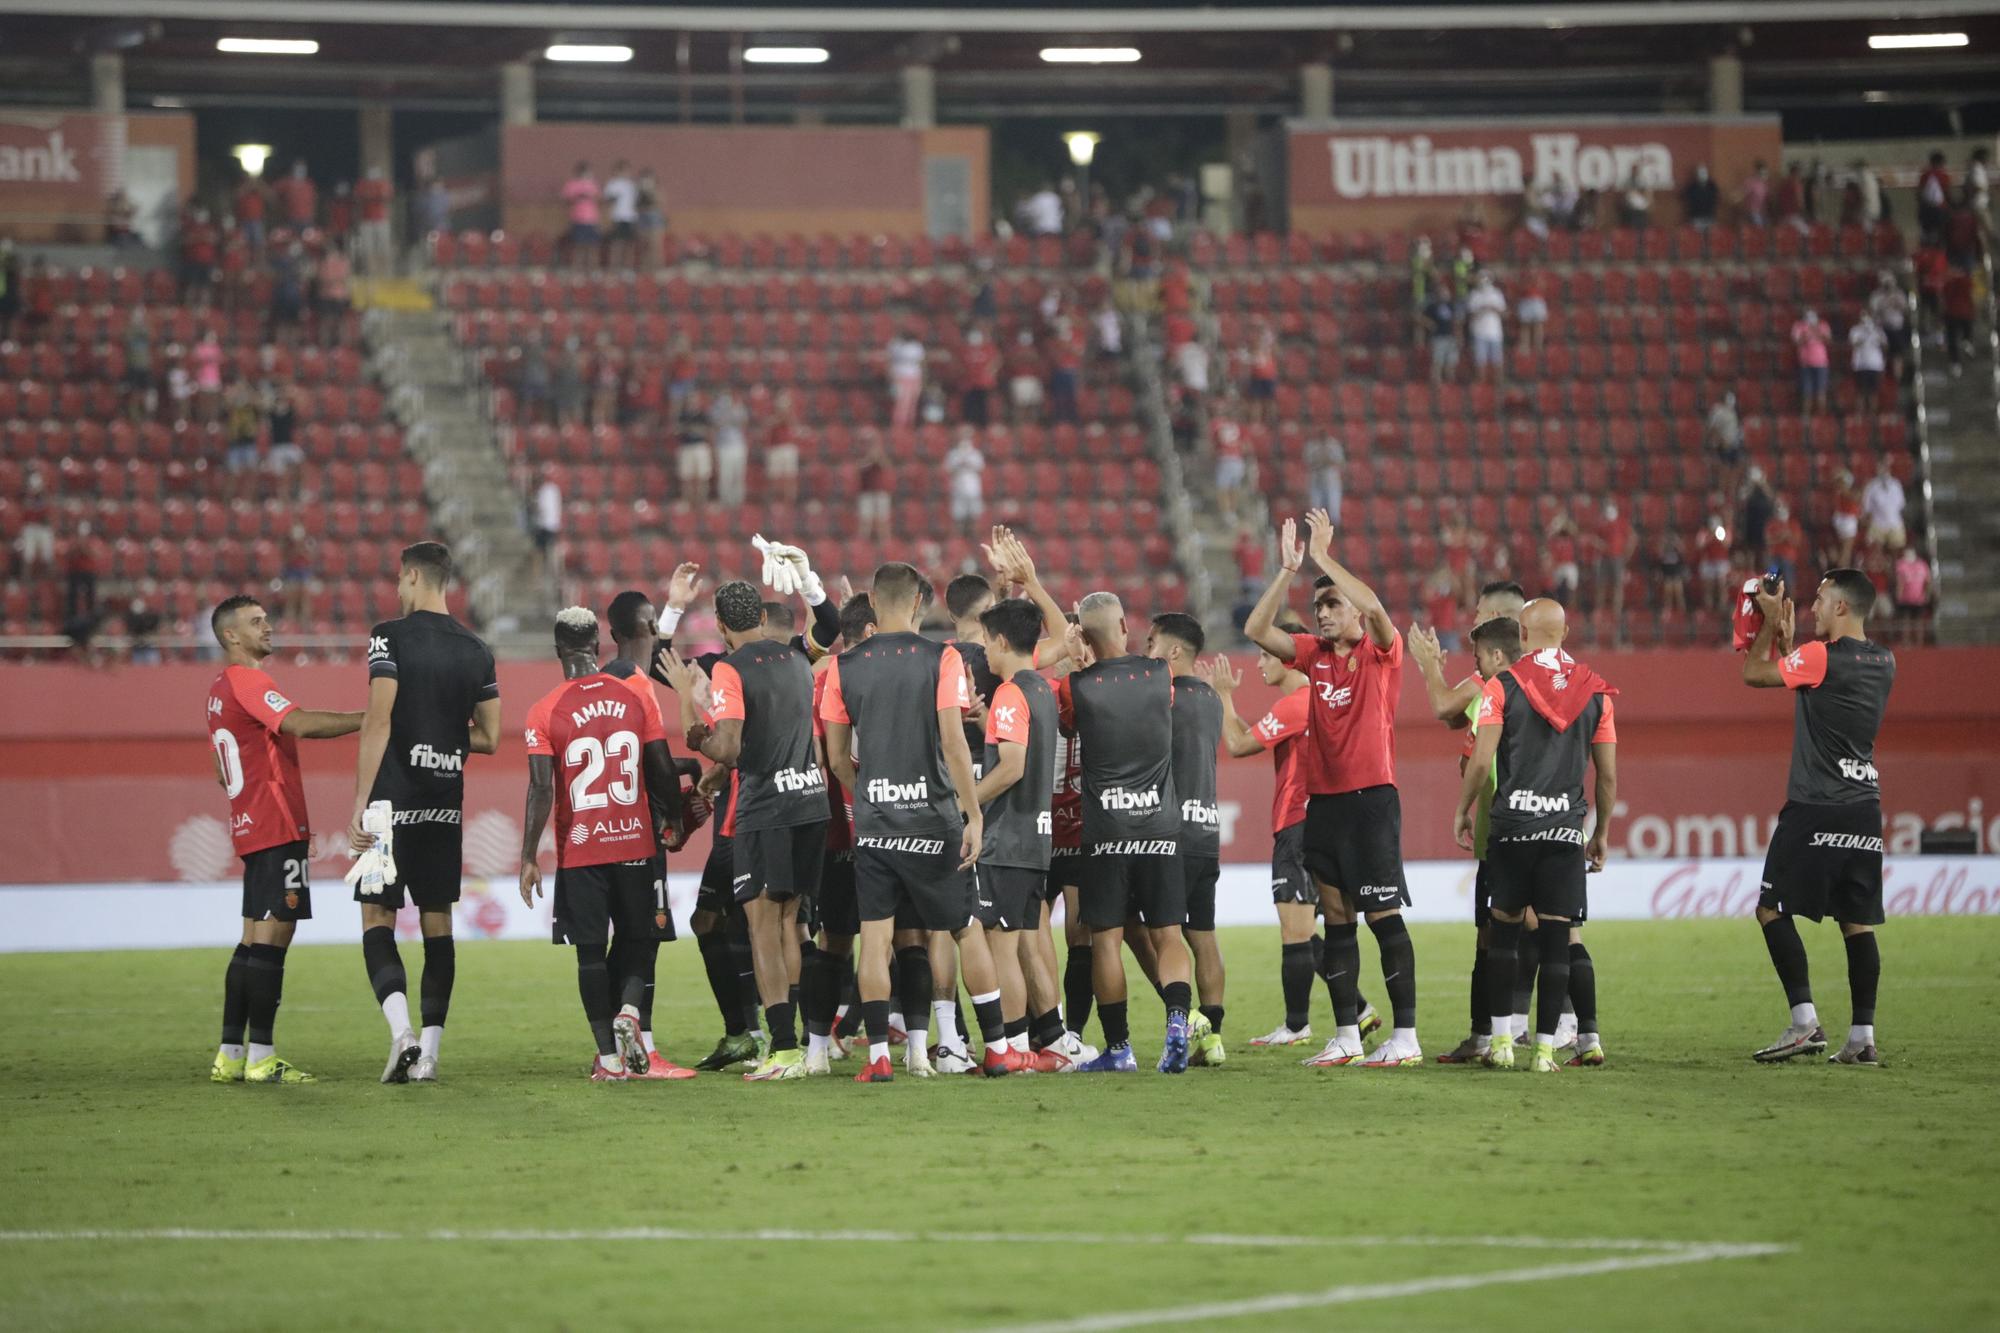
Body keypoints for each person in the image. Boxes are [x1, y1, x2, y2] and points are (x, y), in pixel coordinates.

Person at [819, 561, 1013, 1082]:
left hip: (878, 825)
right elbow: (954, 742)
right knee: (965, 929)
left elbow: (837, 758)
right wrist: (971, 813)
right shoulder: (943, 658)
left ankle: (879, 1057)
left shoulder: (842, 668)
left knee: (876, 936)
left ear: (874, 603)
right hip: (934, 820)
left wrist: (867, 798)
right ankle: (995, 1049)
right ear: (915, 603)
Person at [1244, 511, 1422, 1067]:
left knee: (1383, 918)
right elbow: (1256, 631)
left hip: (1372, 802)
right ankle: (1346, 1034)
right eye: (1319, 607)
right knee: (1339, 920)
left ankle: (1406, 1038)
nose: (1323, 615)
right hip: (1322, 807)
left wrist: (1323, 559)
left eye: (1332, 605)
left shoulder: (1381, 654)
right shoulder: (1312, 657)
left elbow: (1373, 608)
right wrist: (1286, 570)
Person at [348, 542, 503, 1084]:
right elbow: (489, 736)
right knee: (438, 926)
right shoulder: (476, 649)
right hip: (444, 806)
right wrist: (442, 737)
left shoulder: (389, 636)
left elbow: (378, 720)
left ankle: (402, 1036)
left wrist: (361, 803)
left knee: (377, 918)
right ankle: (430, 1056)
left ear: (412, 576)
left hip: (390, 805)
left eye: (400, 579)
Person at [671, 581, 830, 1082]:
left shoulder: (730, 669)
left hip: (767, 810)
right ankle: (806, 1045)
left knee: (764, 925)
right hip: (811, 802)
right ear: (761, 618)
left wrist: (698, 733)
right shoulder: (797, 662)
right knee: (792, 924)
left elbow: (731, 747)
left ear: (721, 625)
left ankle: (782, 1050)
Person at [205, 595, 363, 1085]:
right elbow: (299, 723)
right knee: (276, 936)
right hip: (274, 825)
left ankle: (230, 1053)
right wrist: (370, 720)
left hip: (251, 823)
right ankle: (262, 1057)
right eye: (256, 622)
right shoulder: (250, 680)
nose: (268, 627)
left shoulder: (217, 689)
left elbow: (218, 768)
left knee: (252, 937)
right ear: (231, 636)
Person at [519, 607, 682, 1080]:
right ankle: (630, 1011)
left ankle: (609, 1059)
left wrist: (529, 856)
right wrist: (672, 817)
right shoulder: (634, 695)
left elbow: (542, 789)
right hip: (635, 843)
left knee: (590, 952)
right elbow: (661, 767)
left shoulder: (544, 709)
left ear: (558, 652)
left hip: (581, 851)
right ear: (597, 648)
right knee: (637, 938)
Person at [1742, 571, 1896, 1066]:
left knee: (1771, 909)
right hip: (1865, 806)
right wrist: (1792, 644)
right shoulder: (1885, 661)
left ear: (1844, 609)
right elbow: (1819, 692)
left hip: (1815, 805)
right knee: (1857, 922)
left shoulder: (1821, 657)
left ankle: (1805, 1023)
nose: (1813, 608)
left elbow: (1754, 674)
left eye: (1822, 601)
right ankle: (1863, 1037)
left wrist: (1767, 624)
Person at [1453, 611, 1617, 1073]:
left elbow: (1482, 762)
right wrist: (1600, 831)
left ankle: (1502, 1043)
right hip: (1564, 832)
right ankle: (1546, 1050)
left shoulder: (1501, 687)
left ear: (1523, 636)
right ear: (1566, 632)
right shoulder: (1597, 692)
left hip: (1511, 830)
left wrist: (1463, 810)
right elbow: (1606, 775)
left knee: (1502, 935)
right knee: (1556, 940)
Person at [1055, 591, 1197, 1074]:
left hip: (1106, 833)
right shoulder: (1159, 676)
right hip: (1160, 828)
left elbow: (1068, 723)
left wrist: (1081, 662)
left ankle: (1119, 1049)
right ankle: (1178, 1019)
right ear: (1120, 626)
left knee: (1107, 942)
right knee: (1169, 934)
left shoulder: (1077, 686)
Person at [1406, 581, 1529, 1063]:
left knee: (1518, 925)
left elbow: (1442, 706)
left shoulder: (1498, 680)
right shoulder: (1526, 679)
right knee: (1502, 926)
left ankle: (1518, 1028)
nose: (1471, 620)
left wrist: (1429, 666)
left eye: (1479, 614)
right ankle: (1499, 1031)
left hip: (1508, 819)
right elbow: (1456, 720)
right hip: (1502, 821)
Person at [969, 596, 1062, 1075]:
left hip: (1007, 838)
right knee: (1023, 942)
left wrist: (968, 804)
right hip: (1036, 839)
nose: (983, 650)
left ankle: (1009, 1048)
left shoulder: (1010, 692)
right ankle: (1042, 1043)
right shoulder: (1041, 688)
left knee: (1001, 945)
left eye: (986, 640)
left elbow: (1011, 767)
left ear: (1002, 640)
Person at [1147, 612, 1226, 1066]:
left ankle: (1185, 1015)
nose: (1148, 651)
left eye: (1153, 642)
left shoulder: (1166, 696)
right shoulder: (1213, 699)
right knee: (1204, 936)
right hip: (1207, 830)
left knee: (1162, 933)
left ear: (1174, 651)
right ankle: (1212, 1039)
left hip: (1171, 831)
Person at [943, 426, 986, 536]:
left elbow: (980, 467)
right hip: (958, 487)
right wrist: (959, 462)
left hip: (973, 487)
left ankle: (975, 535)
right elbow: (948, 469)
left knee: (975, 513)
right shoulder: (953, 454)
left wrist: (968, 461)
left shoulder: (975, 453)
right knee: (958, 515)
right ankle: (959, 536)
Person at [709, 388, 749, 505]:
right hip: (723, 447)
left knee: (738, 475)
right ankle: (725, 501)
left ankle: (738, 501)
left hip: (738, 445)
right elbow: (715, 425)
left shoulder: (738, 408)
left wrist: (734, 411)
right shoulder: (716, 410)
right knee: (725, 476)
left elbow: (744, 422)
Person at [14, 469, 54, 577]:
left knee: (47, 556)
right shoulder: (26, 497)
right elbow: (24, 514)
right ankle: (26, 580)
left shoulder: (44, 498)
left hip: (42, 528)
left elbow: (46, 518)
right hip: (30, 527)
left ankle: (47, 581)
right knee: (28, 556)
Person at [354, 167, 394, 275]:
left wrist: (374, 195)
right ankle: (370, 272)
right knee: (368, 248)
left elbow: (387, 197)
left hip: (382, 219)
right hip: (366, 220)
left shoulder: (383, 184)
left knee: (384, 247)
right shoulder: (362, 184)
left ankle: (386, 272)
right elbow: (359, 198)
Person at [1792, 309, 1831, 417]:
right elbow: (1797, 342)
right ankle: (1807, 419)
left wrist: (1816, 331)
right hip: (1805, 364)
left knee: (1821, 392)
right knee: (1806, 393)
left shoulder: (1823, 325)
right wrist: (1807, 333)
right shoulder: (1799, 326)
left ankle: (1821, 419)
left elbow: (1828, 340)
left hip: (1821, 363)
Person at [560, 161, 600, 266]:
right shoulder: (572, 184)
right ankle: (577, 266)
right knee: (578, 245)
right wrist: (578, 196)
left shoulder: (592, 184)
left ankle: (591, 267)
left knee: (592, 245)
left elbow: (598, 198)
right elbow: (566, 199)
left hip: (591, 218)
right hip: (578, 218)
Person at [958, 326, 999, 427]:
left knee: (983, 405)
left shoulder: (988, 348)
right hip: (969, 382)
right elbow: (960, 364)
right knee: (969, 405)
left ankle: (983, 426)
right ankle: (969, 425)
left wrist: (991, 371)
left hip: (983, 382)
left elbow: (997, 360)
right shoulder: (964, 349)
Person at [601, 160, 639, 269]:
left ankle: (628, 268)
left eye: (627, 170)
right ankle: (615, 267)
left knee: (629, 244)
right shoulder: (612, 184)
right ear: (617, 171)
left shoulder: (632, 185)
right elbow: (607, 200)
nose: (625, 172)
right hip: (617, 217)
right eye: (622, 170)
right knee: (617, 244)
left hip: (630, 218)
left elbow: (636, 202)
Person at [855, 430, 891, 542]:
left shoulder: (880, 454)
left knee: (882, 520)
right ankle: (863, 543)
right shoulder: (860, 454)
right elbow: (858, 468)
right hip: (866, 492)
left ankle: (884, 541)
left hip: (880, 491)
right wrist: (870, 459)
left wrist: (878, 457)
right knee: (866, 520)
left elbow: (886, 467)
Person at [886, 326, 925, 429]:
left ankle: (910, 424)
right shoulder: (895, 344)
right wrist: (891, 377)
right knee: (901, 402)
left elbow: (921, 362)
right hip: (900, 376)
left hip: (915, 376)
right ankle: (898, 425)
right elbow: (890, 361)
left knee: (912, 402)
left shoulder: (916, 346)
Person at [1861, 465, 1906, 553]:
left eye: (1885, 469)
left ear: (1889, 470)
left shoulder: (1896, 484)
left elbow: (1901, 505)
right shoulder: (1871, 486)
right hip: (1877, 523)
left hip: (1894, 522)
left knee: (1896, 550)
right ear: (1877, 470)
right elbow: (1866, 507)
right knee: (1875, 550)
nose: (1884, 471)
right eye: (1881, 469)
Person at [533, 466, 563, 590]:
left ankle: (538, 578)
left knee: (540, 552)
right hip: (554, 525)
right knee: (552, 551)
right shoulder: (555, 490)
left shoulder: (543, 491)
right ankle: (556, 576)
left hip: (544, 525)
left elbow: (541, 509)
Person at [1849, 311, 1887, 405]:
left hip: (1875, 365)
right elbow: (1853, 344)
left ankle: (1872, 416)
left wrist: (1878, 338)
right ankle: (1859, 417)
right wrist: (1864, 336)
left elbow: (1885, 346)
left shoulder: (1878, 330)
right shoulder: (1855, 330)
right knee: (1860, 392)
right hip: (1860, 365)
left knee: (1873, 392)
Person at [1304, 434, 1344, 520]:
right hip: (1316, 479)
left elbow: (1340, 462)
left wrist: (1327, 459)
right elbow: (1307, 461)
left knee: (1334, 511)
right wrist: (1320, 460)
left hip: (1331, 480)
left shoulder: (1333, 444)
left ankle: (1335, 529)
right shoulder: (1312, 445)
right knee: (1315, 511)